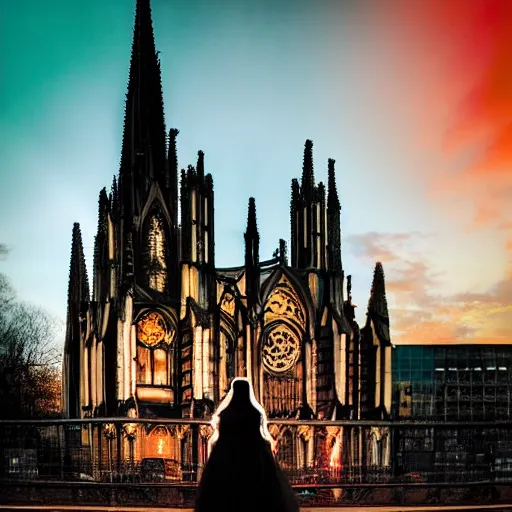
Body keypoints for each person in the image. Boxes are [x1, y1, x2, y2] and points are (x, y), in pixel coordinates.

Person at [194, 377, 299, 512]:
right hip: (253, 458)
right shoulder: (255, 413)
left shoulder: (226, 414)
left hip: (227, 458)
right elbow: (258, 435)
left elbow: (223, 436)